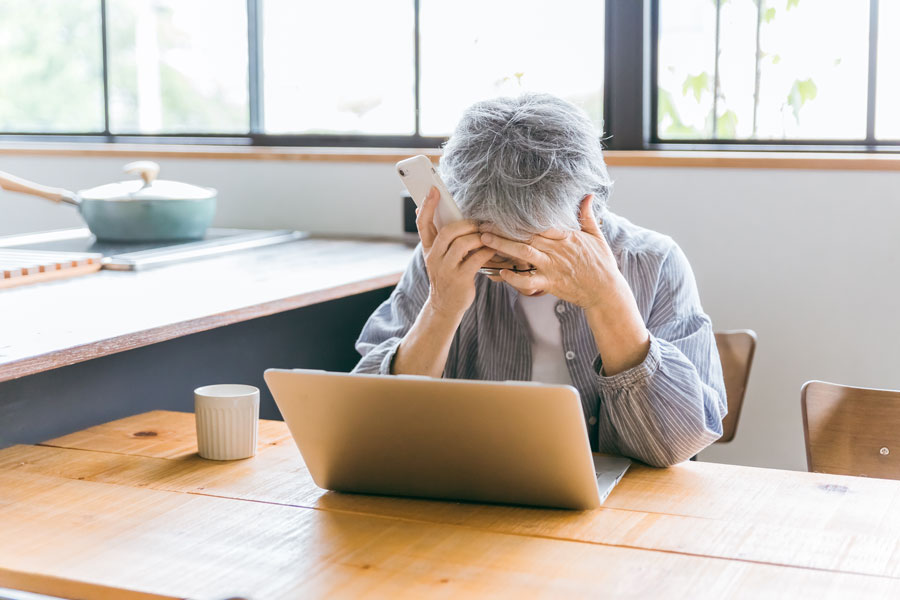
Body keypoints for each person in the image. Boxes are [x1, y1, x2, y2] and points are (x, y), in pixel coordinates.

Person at [353, 93, 726, 467]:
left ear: (586, 207)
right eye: (494, 244)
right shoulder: (449, 259)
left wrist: (606, 299)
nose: (514, 268)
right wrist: (441, 307)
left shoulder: (653, 261)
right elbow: (368, 428)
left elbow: (676, 446)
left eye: (533, 245)